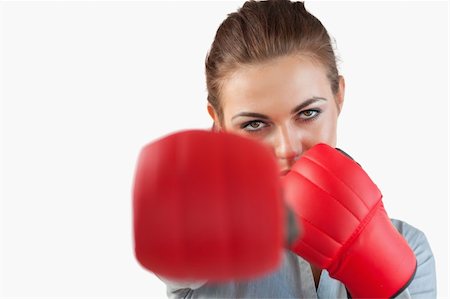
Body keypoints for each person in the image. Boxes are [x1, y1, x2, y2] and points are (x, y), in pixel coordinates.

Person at [138, 0, 436, 298]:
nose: (287, 148)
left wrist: (380, 279)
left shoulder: (410, 247)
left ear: (339, 97)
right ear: (220, 126)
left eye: (307, 114)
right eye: (254, 124)